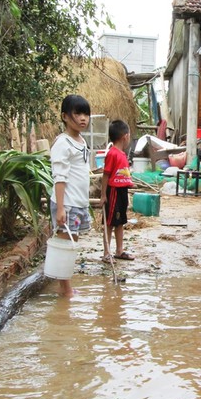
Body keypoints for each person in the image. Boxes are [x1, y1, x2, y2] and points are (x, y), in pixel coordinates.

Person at [49, 94, 93, 297]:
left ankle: (65, 288)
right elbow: (60, 177)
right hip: (66, 203)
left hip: (78, 202)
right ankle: (65, 291)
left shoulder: (81, 140)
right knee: (64, 245)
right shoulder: (63, 142)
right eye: (78, 113)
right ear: (65, 116)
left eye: (86, 114)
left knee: (71, 245)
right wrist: (60, 208)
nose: (83, 118)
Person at [99, 120, 135, 261]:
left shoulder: (122, 154)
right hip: (113, 191)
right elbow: (106, 175)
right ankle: (106, 253)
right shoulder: (112, 154)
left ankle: (119, 251)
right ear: (125, 136)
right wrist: (103, 195)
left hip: (122, 192)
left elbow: (122, 173)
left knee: (120, 222)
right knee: (110, 222)